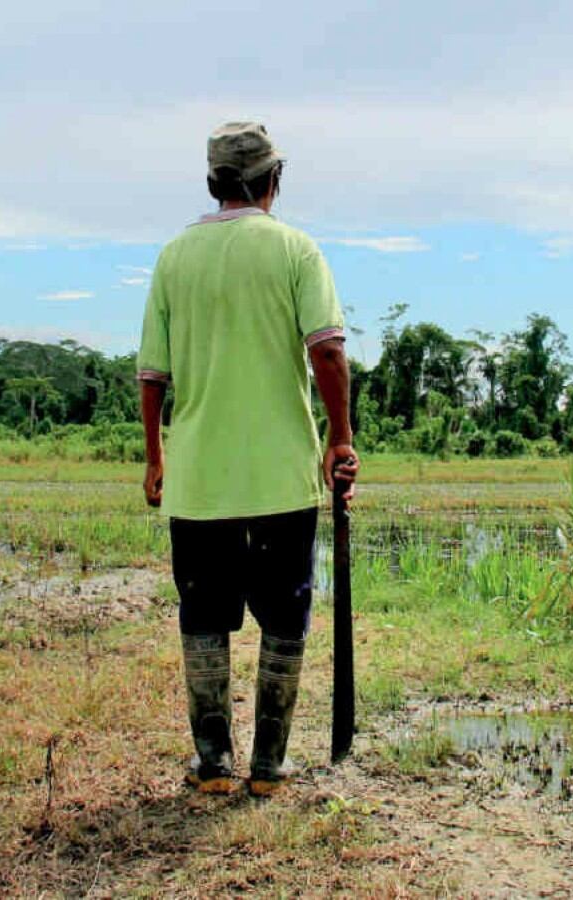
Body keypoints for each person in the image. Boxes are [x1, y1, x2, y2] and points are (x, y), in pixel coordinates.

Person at [136, 121, 359, 797]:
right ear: (273, 182)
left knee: (203, 616)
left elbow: (153, 373)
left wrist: (154, 458)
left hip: (198, 478)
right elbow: (326, 351)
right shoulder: (296, 250)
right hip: (281, 479)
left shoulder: (174, 257)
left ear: (212, 182)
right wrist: (340, 438)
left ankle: (212, 765)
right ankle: (267, 768)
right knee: (285, 615)